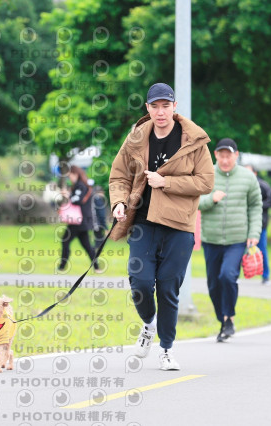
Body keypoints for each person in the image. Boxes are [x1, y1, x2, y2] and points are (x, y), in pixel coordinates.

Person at [109, 82, 214, 370]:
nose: (160, 112)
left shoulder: (194, 140)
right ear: (148, 108)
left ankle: (166, 349)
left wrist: (166, 182)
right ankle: (148, 324)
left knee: (168, 288)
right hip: (143, 223)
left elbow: (206, 182)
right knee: (140, 283)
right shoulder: (136, 138)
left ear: (174, 107)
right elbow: (119, 176)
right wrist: (119, 202)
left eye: (165, 106)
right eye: (154, 106)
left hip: (179, 226)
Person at [199, 139, 262, 342]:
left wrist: (254, 233)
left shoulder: (248, 177)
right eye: (222, 156)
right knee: (213, 285)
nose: (225, 160)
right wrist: (211, 199)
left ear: (236, 155)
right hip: (211, 239)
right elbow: (195, 201)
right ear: (215, 155)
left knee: (227, 276)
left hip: (237, 240)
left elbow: (256, 206)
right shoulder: (206, 174)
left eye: (229, 156)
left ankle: (228, 318)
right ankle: (224, 320)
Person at [58, 165, 99, 272]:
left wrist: (67, 195)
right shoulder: (82, 185)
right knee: (87, 245)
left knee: (65, 241)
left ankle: (62, 266)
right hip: (81, 221)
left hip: (79, 221)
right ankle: (96, 267)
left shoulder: (80, 186)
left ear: (75, 174)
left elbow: (77, 200)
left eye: (70, 175)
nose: (69, 178)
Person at [245, 164, 271, 284]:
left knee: (261, 249)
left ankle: (265, 275)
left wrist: (257, 206)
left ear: (255, 173)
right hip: (243, 225)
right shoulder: (242, 185)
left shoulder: (263, 185)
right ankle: (238, 275)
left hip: (260, 225)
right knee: (239, 250)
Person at [89, 181, 108, 258]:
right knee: (100, 240)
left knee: (98, 239)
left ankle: (95, 253)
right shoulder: (98, 199)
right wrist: (105, 227)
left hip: (93, 222)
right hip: (98, 223)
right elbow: (101, 214)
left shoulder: (92, 199)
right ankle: (94, 254)